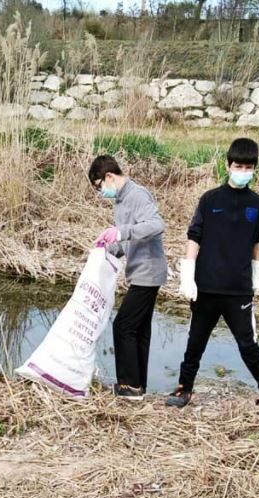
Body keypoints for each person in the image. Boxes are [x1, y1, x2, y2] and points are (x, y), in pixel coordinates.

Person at [168, 137, 259, 409]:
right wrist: (188, 273)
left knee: (248, 345)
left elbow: (257, 241)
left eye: (248, 167)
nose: (243, 171)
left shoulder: (258, 203)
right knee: (195, 342)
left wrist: (256, 275)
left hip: (238, 289)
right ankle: (184, 390)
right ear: (228, 165)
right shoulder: (210, 199)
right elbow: (194, 236)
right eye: (238, 165)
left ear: (255, 168)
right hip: (205, 286)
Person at [90, 155, 168, 401]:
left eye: (99, 187)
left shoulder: (137, 195)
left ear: (109, 177)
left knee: (123, 325)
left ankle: (128, 386)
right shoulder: (120, 202)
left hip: (149, 271)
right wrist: (106, 249)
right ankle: (138, 386)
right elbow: (125, 241)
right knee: (139, 330)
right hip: (139, 271)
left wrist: (121, 231)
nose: (100, 192)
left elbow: (156, 225)